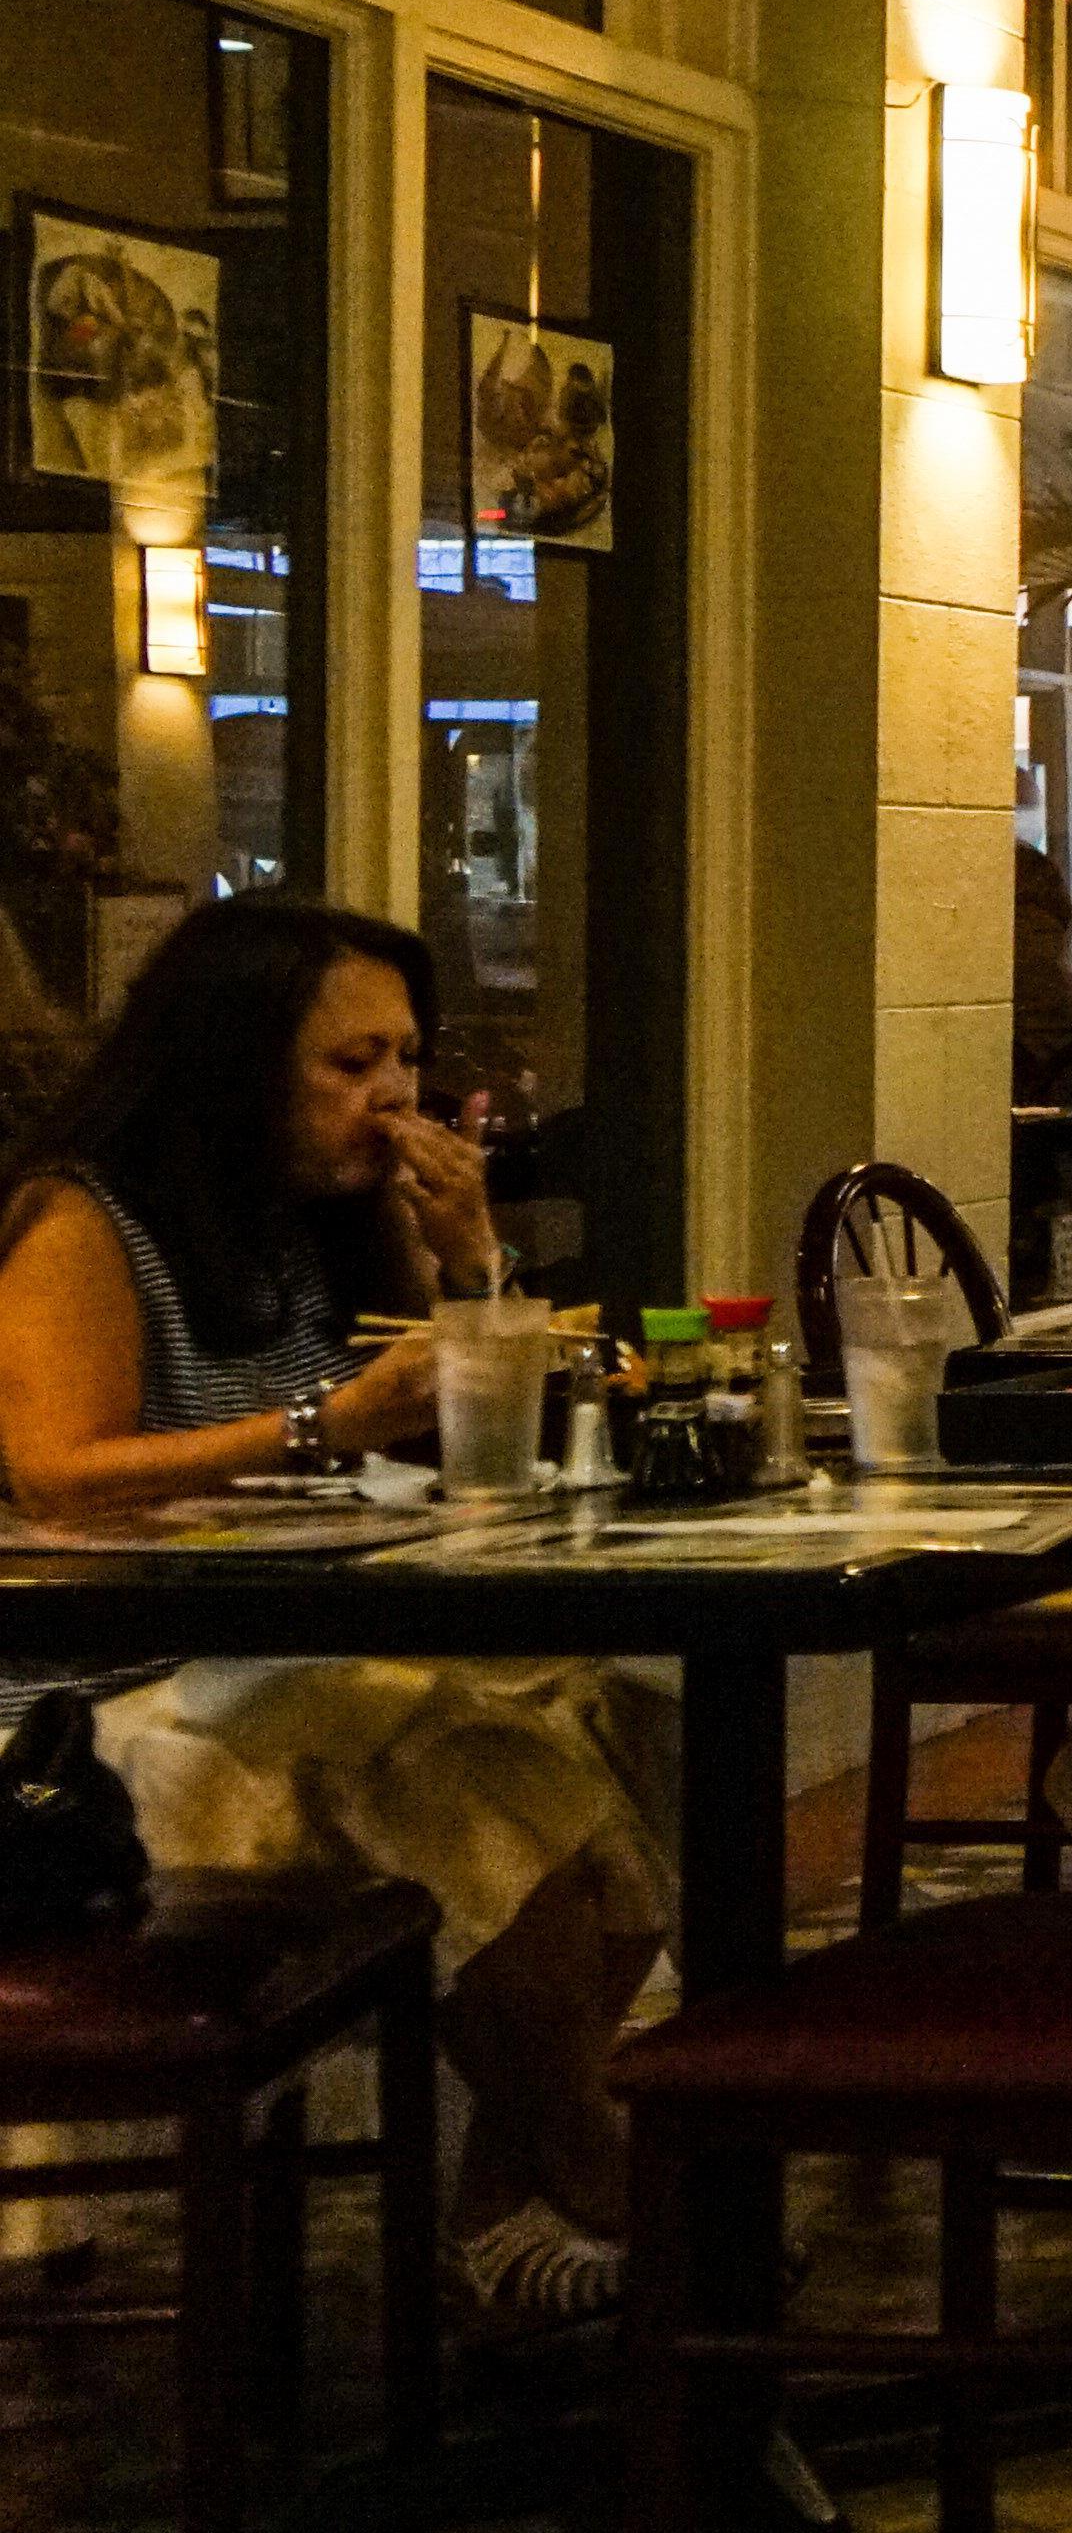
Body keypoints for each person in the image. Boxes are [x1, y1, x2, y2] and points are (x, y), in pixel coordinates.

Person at [0, 899, 671, 2323]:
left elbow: (454, 1425)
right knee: (444, 1751)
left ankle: (516, 2186)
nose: (393, 1099)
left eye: (408, 1061)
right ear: (234, 1062)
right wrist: (319, 1424)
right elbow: (58, 1472)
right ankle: (596, 2172)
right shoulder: (85, 1219)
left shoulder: (314, 1224)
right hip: (89, 1719)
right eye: (349, 1063)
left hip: (273, 1653)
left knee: (620, 1717)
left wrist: (473, 1260)